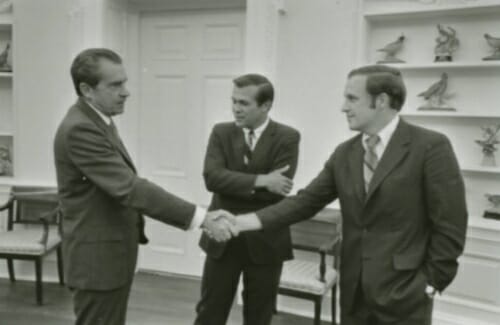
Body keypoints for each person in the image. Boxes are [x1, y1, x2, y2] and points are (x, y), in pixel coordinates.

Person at [231, 65, 468, 325]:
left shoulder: (430, 147)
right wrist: (241, 222)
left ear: (381, 101)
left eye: (352, 98)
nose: (344, 107)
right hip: (353, 292)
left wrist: (432, 282)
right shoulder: (345, 154)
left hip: (406, 292)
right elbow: (305, 202)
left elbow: (450, 223)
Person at [53, 48, 233, 325]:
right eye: (115, 85)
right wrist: (201, 218)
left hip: (109, 258)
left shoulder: (98, 120)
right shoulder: (80, 129)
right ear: (87, 90)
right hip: (97, 262)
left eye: (124, 82)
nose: (126, 92)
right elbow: (131, 188)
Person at [194, 74, 301, 325]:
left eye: (244, 103)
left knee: (259, 316)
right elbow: (212, 178)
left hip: (266, 240)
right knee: (210, 312)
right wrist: (261, 181)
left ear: (266, 106)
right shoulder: (221, 132)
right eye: (233, 101)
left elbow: (279, 188)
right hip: (222, 236)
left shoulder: (287, 137)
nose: (235, 109)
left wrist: (233, 182)